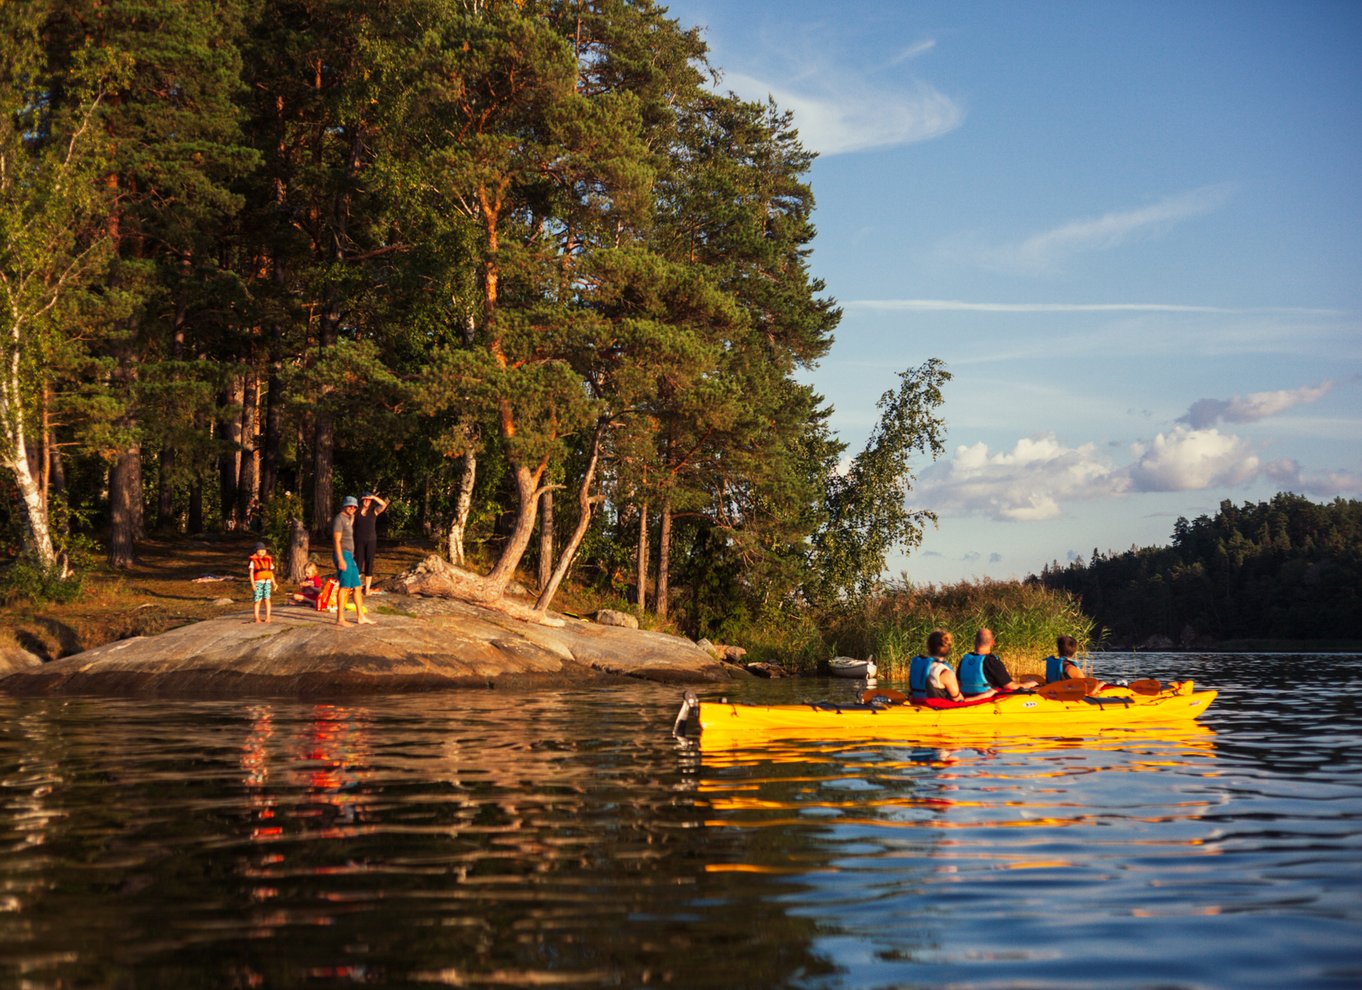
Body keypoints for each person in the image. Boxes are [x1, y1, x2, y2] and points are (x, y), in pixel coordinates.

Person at [332, 495, 376, 627]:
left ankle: (360, 617)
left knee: (357, 587)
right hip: (343, 555)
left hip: (350, 556)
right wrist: (340, 559)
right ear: (344, 505)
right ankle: (340, 619)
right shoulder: (339, 519)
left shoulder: (349, 518)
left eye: (354, 506)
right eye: (350, 505)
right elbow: (336, 540)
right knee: (344, 587)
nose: (352, 508)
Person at [958, 627, 1039, 697]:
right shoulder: (992, 662)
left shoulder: (965, 660)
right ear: (993, 642)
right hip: (986, 699)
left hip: (966, 696)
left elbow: (957, 683)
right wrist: (1028, 684)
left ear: (975, 642)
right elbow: (1011, 686)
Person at [908, 629, 967, 702]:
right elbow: (959, 700)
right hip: (937, 709)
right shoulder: (946, 674)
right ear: (948, 649)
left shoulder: (917, 667)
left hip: (918, 704)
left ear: (929, 647)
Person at [354, 491, 389, 596]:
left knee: (369, 563)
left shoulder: (374, 511)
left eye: (368, 500)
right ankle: (357, 587)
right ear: (361, 500)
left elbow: (384, 505)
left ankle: (367, 589)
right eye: (365, 499)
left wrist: (373, 497)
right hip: (359, 541)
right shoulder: (356, 511)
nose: (366, 501)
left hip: (371, 541)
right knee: (358, 563)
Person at [248, 542, 274, 624]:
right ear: (256, 551)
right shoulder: (253, 562)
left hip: (267, 582)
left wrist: (274, 582)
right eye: (260, 549)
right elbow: (251, 573)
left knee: (267, 599)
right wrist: (252, 584)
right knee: (258, 600)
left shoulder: (268, 561)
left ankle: (268, 617)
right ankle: (257, 617)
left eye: (264, 549)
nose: (263, 551)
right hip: (258, 583)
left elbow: (270, 573)